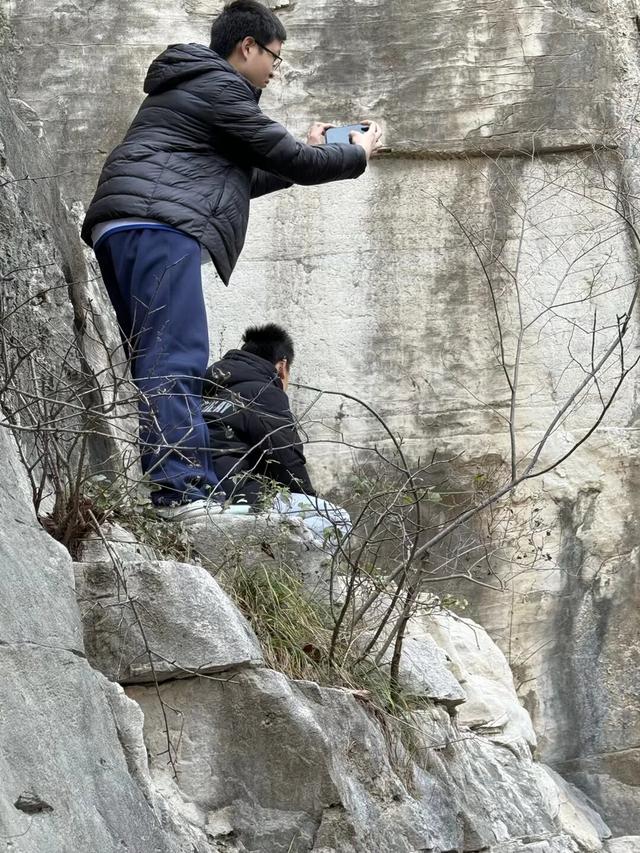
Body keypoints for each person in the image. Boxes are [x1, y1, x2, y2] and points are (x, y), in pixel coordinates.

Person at [81, 0, 382, 522]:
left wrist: (302, 152)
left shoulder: (191, 88)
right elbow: (290, 159)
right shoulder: (219, 85)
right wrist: (355, 153)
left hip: (128, 225)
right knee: (176, 357)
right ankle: (180, 489)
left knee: (156, 356)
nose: (274, 70)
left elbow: (241, 180)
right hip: (158, 227)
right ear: (247, 47)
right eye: (274, 57)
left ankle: (177, 482)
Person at [203, 323, 352, 548]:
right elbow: (287, 458)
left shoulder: (209, 388)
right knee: (336, 520)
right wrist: (311, 500)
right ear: (282, 366)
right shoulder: (264, 392)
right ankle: (305, 581)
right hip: (237, 505)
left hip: (203, 499)